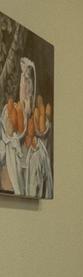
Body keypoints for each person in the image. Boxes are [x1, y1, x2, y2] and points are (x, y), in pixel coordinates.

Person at [1, 55, 52, 198]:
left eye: (29, 80)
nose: (25, 85)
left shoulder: (37, 122)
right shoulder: (8, 111)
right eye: (23, 79)